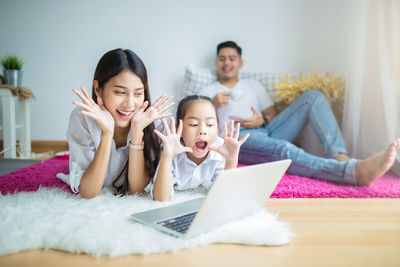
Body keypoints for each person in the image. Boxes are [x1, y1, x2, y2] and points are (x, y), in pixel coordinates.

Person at [199, 40, 400, 186]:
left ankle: (340, 155)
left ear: (240, 63)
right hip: (237, 138)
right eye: (222, 59)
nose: (227, 63)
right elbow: (202, 127)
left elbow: (272, 115)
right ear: (217, 63)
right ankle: (351, 172)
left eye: (232, 58)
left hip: (266, 128)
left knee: (313, 96)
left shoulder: (253, 85)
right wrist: (213, 104)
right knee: (282, 149)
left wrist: (260, 119)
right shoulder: (208, 91)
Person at [56, 48, 174, 198]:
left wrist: (137, 132)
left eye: (138, 93)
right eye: (120, 92)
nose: (130, 104)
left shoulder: (152, 122)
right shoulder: (82, 118)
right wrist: (107, 134)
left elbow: (137, 191)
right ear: (98, 89)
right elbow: (88, 192)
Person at [146, 95, 249, 202]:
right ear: (178, 129)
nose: (202, 130)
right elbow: (161, 199)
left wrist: (231, 161)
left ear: (217, 128)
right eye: (193, 124)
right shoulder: (171, 149)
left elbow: (223, 194)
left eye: (210, 124)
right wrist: (167, 157)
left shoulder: (221, 149)